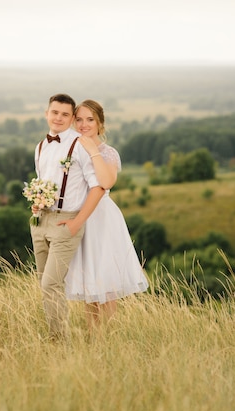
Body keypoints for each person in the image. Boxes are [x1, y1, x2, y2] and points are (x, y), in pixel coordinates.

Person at [65, 99, 149, 330]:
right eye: (79, 119)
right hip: (78, 215)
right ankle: (93, 335)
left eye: (90, 119)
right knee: (88, 279)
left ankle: (108, 335)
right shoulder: (70, 150)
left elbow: (106, 181)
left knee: (106, 280)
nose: (84, 124)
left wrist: (92, 150)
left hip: (101, 219)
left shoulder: (108, 153)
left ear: (100, 123)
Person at [30, 93, 105, 342]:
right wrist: (37, 204)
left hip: (66, 222)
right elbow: (45, 182)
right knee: (44, 283)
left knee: (50, 284)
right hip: (41, 222)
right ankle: (58, 336)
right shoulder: (40, 146)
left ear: (72, 118)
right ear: (46, 114)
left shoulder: (80, 145)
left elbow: (98, 186)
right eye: (55, 112)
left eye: (65, 114)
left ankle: (59, 341)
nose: (59, 118)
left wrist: (76, 223)